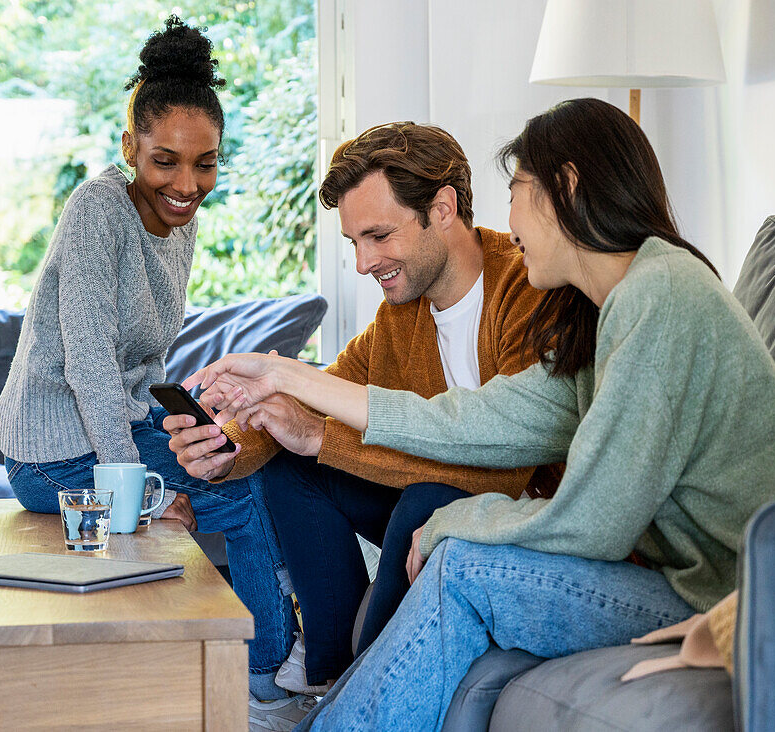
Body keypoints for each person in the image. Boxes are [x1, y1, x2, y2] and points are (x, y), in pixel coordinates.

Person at [186, 98, 775, 730]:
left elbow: (594, 522)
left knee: (462, 563)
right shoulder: (607, 313)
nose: (508, 216)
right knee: (452, 550)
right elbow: (466, 419)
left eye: (519, 188)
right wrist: (283, 376)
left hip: (755, 600)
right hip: (701, 586)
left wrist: (452, 520)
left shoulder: (661, 295)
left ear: (567, 189)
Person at [164, 122, 562, 695]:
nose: (363, 262)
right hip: (430, 499)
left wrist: (321, 436)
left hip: (517, 512)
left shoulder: (527, 287)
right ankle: (328, 668)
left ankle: (364, 685)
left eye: (378, 236)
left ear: (443, 208)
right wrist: (227, 445)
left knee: (424, 499)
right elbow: (318, 395)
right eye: (355, 242)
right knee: (295, 465)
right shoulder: (400, 314)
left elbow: (503, 470)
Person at [0, 16, 299, 705]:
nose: (187, 183)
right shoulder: (98, 210)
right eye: (165, 160)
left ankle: (276, 656)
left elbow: (144, 359)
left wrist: (193, 414)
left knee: (245, 457)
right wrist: (141, 488)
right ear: (131, 146)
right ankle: (266, 681)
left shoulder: (178, 221)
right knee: (239, 497)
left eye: (205, 162)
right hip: (50, 452)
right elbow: (90, 365)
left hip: (116, 432)